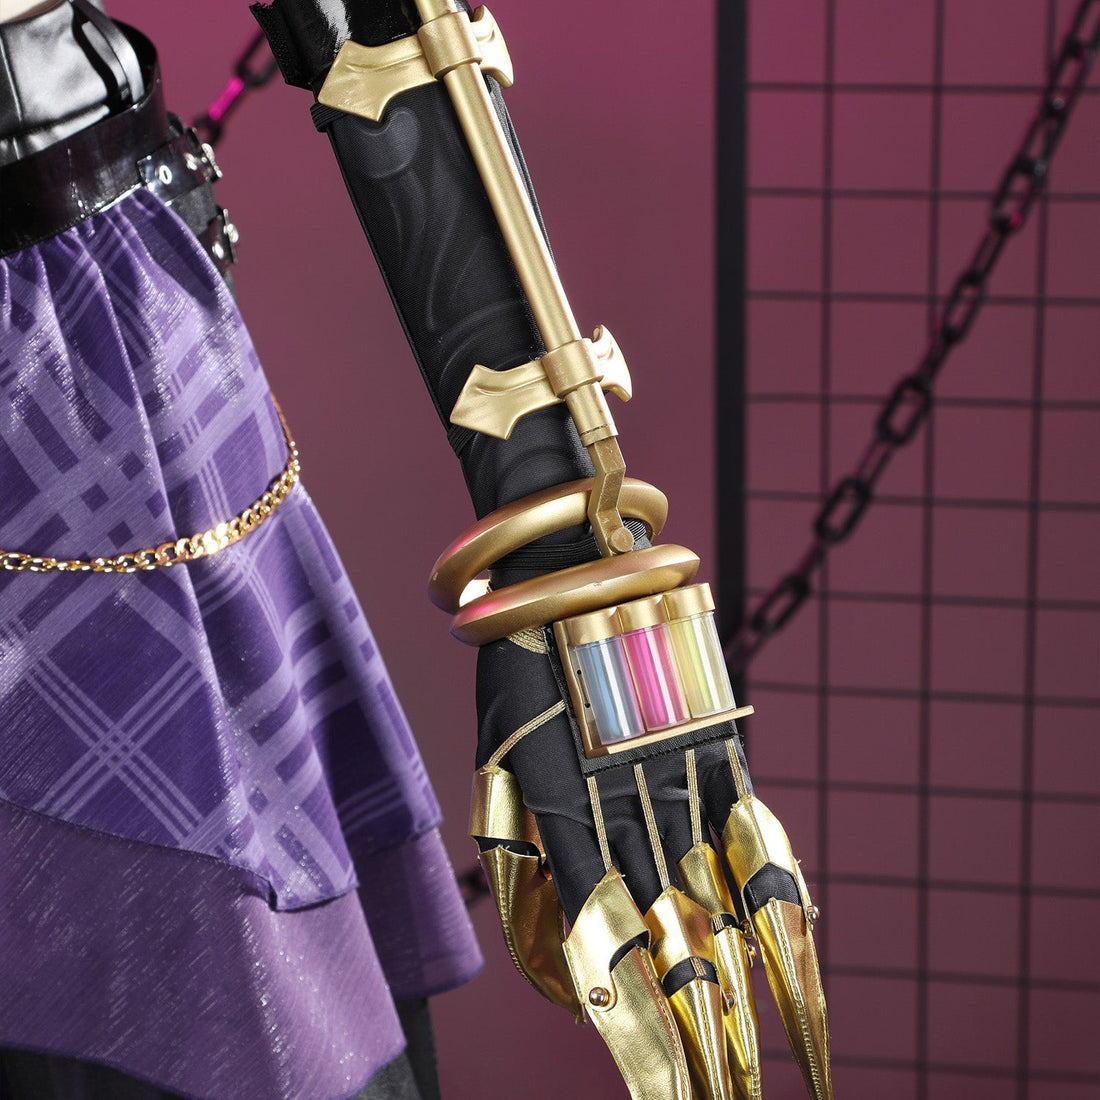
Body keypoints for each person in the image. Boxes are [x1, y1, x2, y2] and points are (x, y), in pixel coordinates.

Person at [0, 2, 479, 1098]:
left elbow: (381, 31)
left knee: (190, 997)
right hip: (90, 396)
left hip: (88, 372)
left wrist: (552, 493)